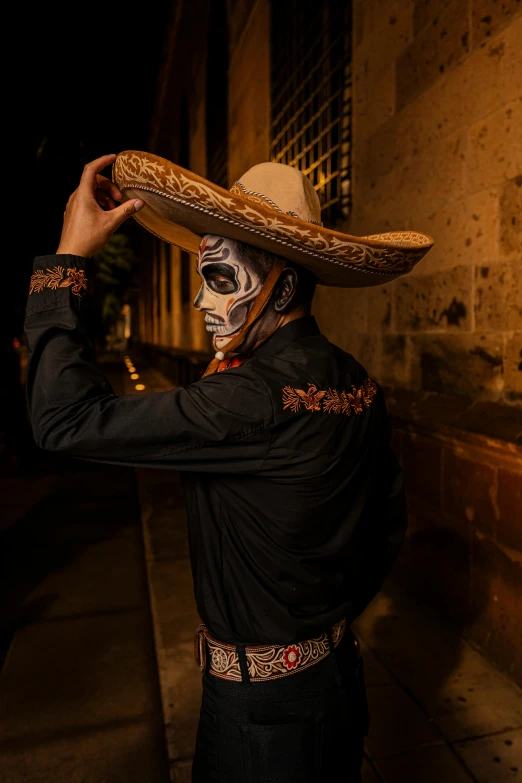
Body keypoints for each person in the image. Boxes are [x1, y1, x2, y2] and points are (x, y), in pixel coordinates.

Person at [25, 153, 433, 782]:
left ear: (284, 288)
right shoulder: (358, 383)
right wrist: (314, 620)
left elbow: (64, 420)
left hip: (262, 722)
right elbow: (385, 526)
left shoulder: (245, 398)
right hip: (334, 684)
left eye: (218, 277)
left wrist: (68, 260)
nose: (197, 299)